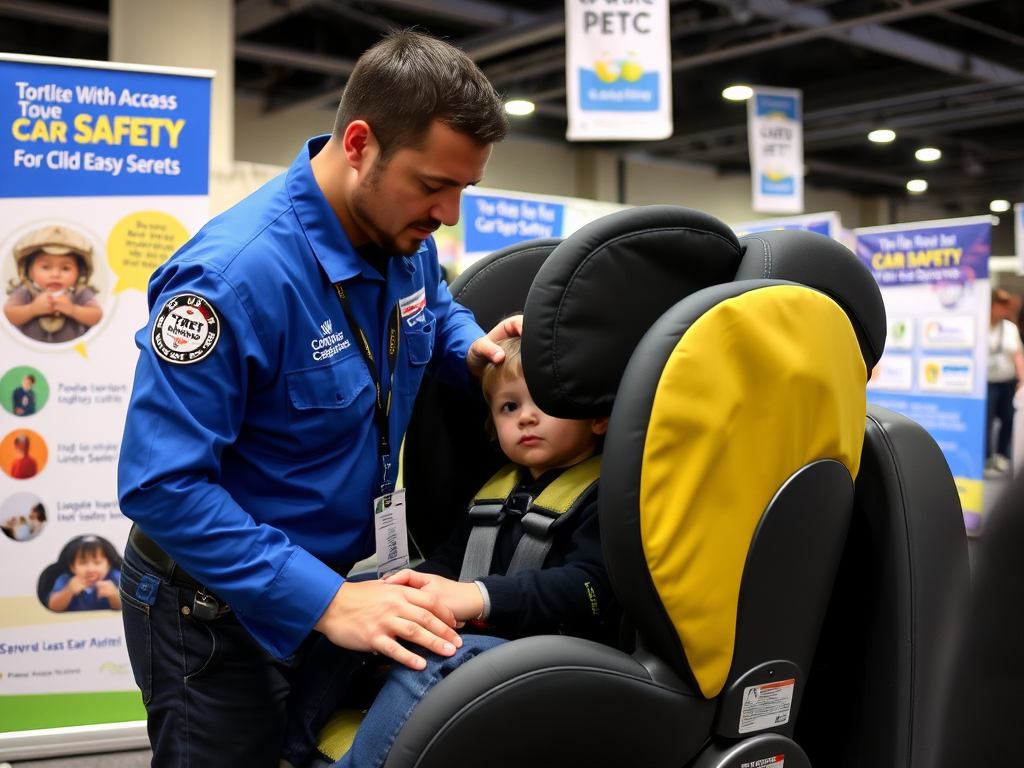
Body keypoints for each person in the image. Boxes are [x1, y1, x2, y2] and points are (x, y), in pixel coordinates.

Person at [116, 29, 514, 767]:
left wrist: (476, 350)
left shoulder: (403, 233)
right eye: (434, 186)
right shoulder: (230, 279)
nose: (450, 214)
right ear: (360, 143)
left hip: (330, 588)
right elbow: (161, 485)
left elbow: (433, 306)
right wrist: (329, 604)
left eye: (464, 189)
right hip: (211, 611)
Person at [281, 337, 613, 768]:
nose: (527, 418)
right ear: (493, 425)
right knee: (361, 604)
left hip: (553, 653)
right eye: (509, 407)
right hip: (484, 634)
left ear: (598, 418)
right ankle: (288, 751)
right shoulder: (495, 489)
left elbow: (590, 587)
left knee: (437, 657)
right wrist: (407, 589)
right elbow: (451, 557)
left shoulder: (606, 496)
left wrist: (478, 596)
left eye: (545, 403)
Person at [3, 224, 103, 343]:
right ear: (29, 271)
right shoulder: (25, 292)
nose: (55, 274)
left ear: (80, 272)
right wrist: (32, 309)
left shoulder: (80, 293)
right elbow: (8, 316)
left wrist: (73, 310)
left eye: (65, 268)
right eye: (46, 267)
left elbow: (97, 316)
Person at [986, 289, 1024, 477]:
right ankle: (986, 458)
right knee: (987, 420)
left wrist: (1022, 381)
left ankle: (1002, 455)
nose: (1003, 309)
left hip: (1007, 383)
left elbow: (1018, 356)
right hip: (987, 384)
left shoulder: (1010, 328)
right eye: (1000, 305)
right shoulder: (980, 325)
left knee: (1007, 418)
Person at [47, 536, 122, 612]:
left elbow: (126, 608)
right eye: (83, 563)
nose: (90, 569)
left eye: (97, 562)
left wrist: (114, 595)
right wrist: (68, 591)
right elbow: (53, 607)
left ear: (108, 564)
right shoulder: (65, 579)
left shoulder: (116, 577)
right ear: (72, 567)